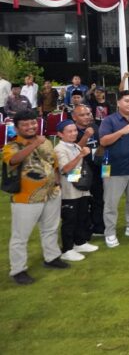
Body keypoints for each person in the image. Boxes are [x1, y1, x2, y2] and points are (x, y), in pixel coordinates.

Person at [3, 110, 68, 284]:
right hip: (26, 198)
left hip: (52, 193)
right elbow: (13, 160)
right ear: (17, 128)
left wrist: (58, 183)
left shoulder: (46, 141)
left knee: (51, 228)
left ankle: (52, 257)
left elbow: (54, 163)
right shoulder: (12, 146)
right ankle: (18, 270)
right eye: (25, 124)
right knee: (20, 236)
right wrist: (34, 144)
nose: (30, 127)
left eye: (32, 123)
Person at [98, 90, 129, 248]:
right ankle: (110, 233)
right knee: (111, 203)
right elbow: (103, 141)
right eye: (126, 101)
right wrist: (121, 132)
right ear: (118, 103)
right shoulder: (109, 120)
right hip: (112, 169)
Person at [54, 120, 98, 261]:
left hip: (81, 187)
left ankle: (80, 242)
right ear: (60, 134)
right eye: (69, 131)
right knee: (70, 220)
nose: (73, 133)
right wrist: (80, 155)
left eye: (74, 130)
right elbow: (65, 169)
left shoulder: (75, 146)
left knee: (82, 216)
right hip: (69, 190)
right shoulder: (59, 149)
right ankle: (67, 249)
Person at [71, 104, 104, 236]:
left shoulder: (95, 127)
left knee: (99, 198)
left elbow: (102, 146)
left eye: (88, 114)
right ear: (74, 117)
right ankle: (81, 231)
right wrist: (85, 136)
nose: (86, 117)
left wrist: (105, 169)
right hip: (76, 170)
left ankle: (98, 227)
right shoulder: (70, 130)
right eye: (82, 115)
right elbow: (71, 152)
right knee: (77, 200)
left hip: (96, 168)